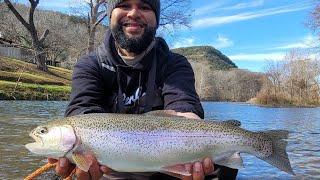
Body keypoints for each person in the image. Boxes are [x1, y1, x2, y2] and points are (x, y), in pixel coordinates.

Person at [49, 0, 238, 179]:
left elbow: (184, 107)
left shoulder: (174, 63)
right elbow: (82, 109)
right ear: (110, 15)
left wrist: (190, 130)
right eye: (124, 5)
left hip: (168, 165)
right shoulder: (90, 64)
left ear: (156, 19)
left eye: (145, 7)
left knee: (223, 165)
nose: (133, 13)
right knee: (64, 170)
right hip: (107, 166)